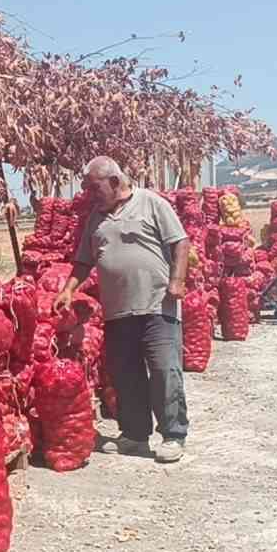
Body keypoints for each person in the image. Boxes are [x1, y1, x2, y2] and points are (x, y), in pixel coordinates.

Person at [54, 156, 191, 462]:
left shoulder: (151, 203)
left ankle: (173, 435)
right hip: (117, 311)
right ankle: (134, 435)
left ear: (115, 182)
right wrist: (68, 289)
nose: (89, 194)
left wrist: (178, 280)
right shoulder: (95, 218)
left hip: (156, 305)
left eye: (94, 187)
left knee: (163, 371)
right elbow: (83, 261)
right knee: (126, 375)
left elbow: (180, 242)